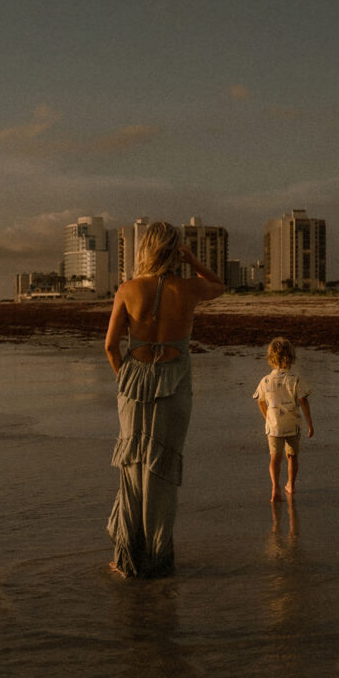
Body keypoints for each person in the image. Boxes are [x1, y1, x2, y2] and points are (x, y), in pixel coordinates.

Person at [104, 223, 226, 576]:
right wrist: (193, 259)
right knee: (161, 473)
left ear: (145, 250)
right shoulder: (188, 288)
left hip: (132, 387)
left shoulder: (127, 289)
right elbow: (219, 285)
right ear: (174, 251)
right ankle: (158, 560)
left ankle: (127, 561)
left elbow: (111, 347)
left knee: (132, 471)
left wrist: (126, 381)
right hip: (174, 388)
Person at [253, 337, 314, 502]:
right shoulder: (295, 379)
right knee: (292, 456)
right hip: (292, 425)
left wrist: (267, 417)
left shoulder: (265, 380)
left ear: (271, 358)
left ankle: (275, 488)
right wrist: (310, 425)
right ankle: (291, 485)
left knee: (275, 457)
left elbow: (260, 401)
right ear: (291, 358)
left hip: (274, 426)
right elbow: (303, 401)